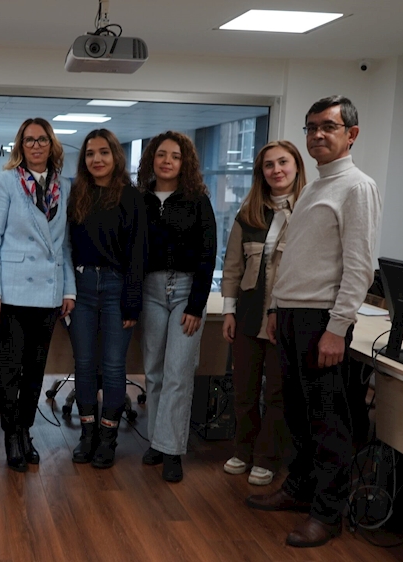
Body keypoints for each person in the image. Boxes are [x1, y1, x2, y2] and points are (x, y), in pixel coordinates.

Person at [246, 96, 382, 548]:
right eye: (311, 127)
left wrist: (337, 328)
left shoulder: (357, 187)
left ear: (351, 134)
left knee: (328, 421)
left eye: (328, 126)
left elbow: (360, 267)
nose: (317, 134)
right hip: (290, 315)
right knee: (299, 417)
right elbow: (295, 258)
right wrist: (275, 309)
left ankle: (327, 513)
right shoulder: (314, 187)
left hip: (321, 319)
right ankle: (300, 488)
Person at [0, 118, 75, 472]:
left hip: (48, 294)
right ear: (21, 146)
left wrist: (69, 288)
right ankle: (10, 434)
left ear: (52, 145)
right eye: (29, 140)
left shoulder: (63, 186)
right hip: (12, 292)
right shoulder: (5, 181)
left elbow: (64, 244)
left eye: (42, 139)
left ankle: (25, 430)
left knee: (36, 371)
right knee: (10, 370)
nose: (36, 146)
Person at [221, 140, 306, 487]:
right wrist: (228, 311)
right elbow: (232, 267)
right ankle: (243, 450)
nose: (276, 170)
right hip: (248, 314)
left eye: (283, 162)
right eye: (269, 165)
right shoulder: (249, 214)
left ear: (297, 166)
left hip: (286, 317)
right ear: (261, 173)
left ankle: (267, 457)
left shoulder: (308, 212)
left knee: (277, 393)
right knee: (244, 389)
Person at [136, 131, 217, 483]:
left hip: (186, 292)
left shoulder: (198, 200)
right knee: (153, 371)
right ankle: (157, 440)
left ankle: (172, 450)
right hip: (150, 291)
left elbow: (208, 254)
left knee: (178, 373)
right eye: (161, 155)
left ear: (185, 163)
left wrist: (197, 305)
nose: (167, 161)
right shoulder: (140, 199)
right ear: (151, 159)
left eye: (175, 156)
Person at [67, 129, 147, 469]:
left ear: (116, 156)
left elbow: (139, 253)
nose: (96, 159)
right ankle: (87, 435)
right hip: (81, 286)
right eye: (90, 154)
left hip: (117, 286)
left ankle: (107, 437)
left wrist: (132, 301)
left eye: (103, 152)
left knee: (114, 367)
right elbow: (65, 247)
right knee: (84, 365)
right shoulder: (77, 194)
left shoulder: (131, 196)